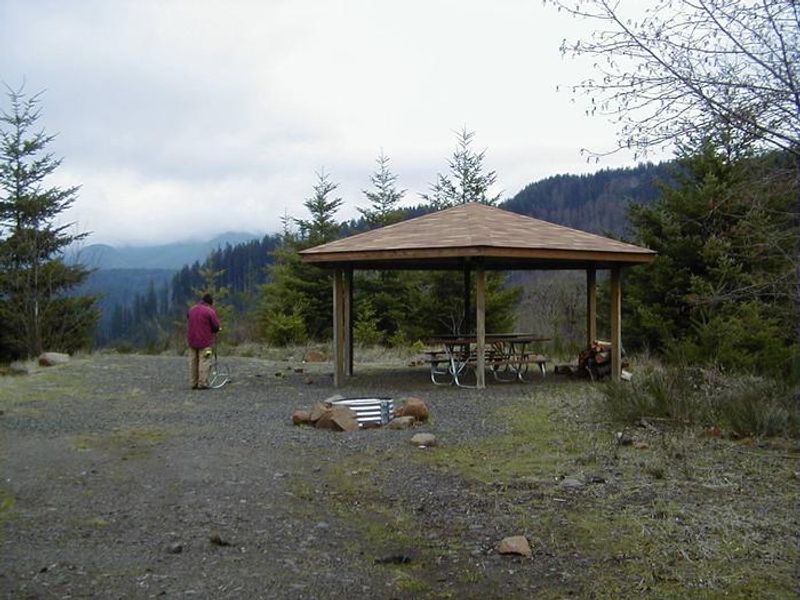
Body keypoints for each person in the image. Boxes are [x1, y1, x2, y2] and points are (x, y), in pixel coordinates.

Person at [187, 293, 221, 389]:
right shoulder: (210, 311)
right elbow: (216, 326)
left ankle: (193, 383)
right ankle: (202, 383)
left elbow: (189, 319)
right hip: (205, 341)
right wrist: (217, 329)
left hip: (192, 340)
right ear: (210, 303)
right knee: (205, 361)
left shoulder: (191, 309)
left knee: (193, 362)